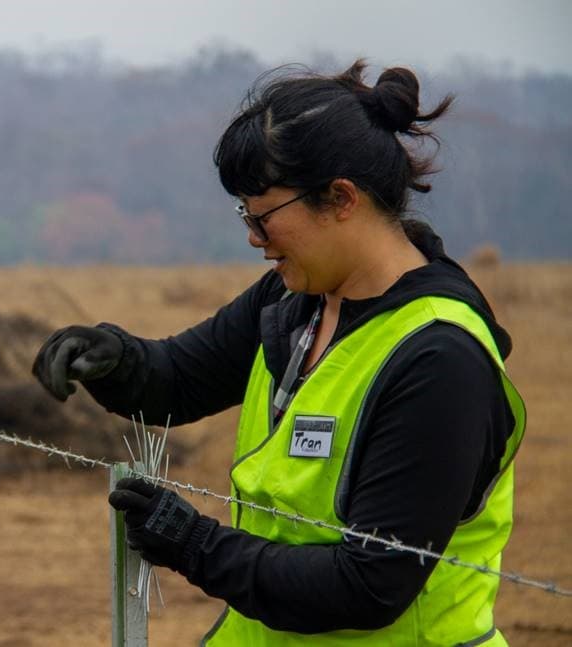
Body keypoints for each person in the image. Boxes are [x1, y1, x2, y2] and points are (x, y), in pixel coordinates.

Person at [33, 61, 525, 645]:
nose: (252, 239)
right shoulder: (296, 299)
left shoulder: (440, 360)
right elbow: (178, 380)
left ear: (341, 198)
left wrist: (196, 544)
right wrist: (113, 356)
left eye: (263, 217)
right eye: (246, 215)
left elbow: (368, 587)